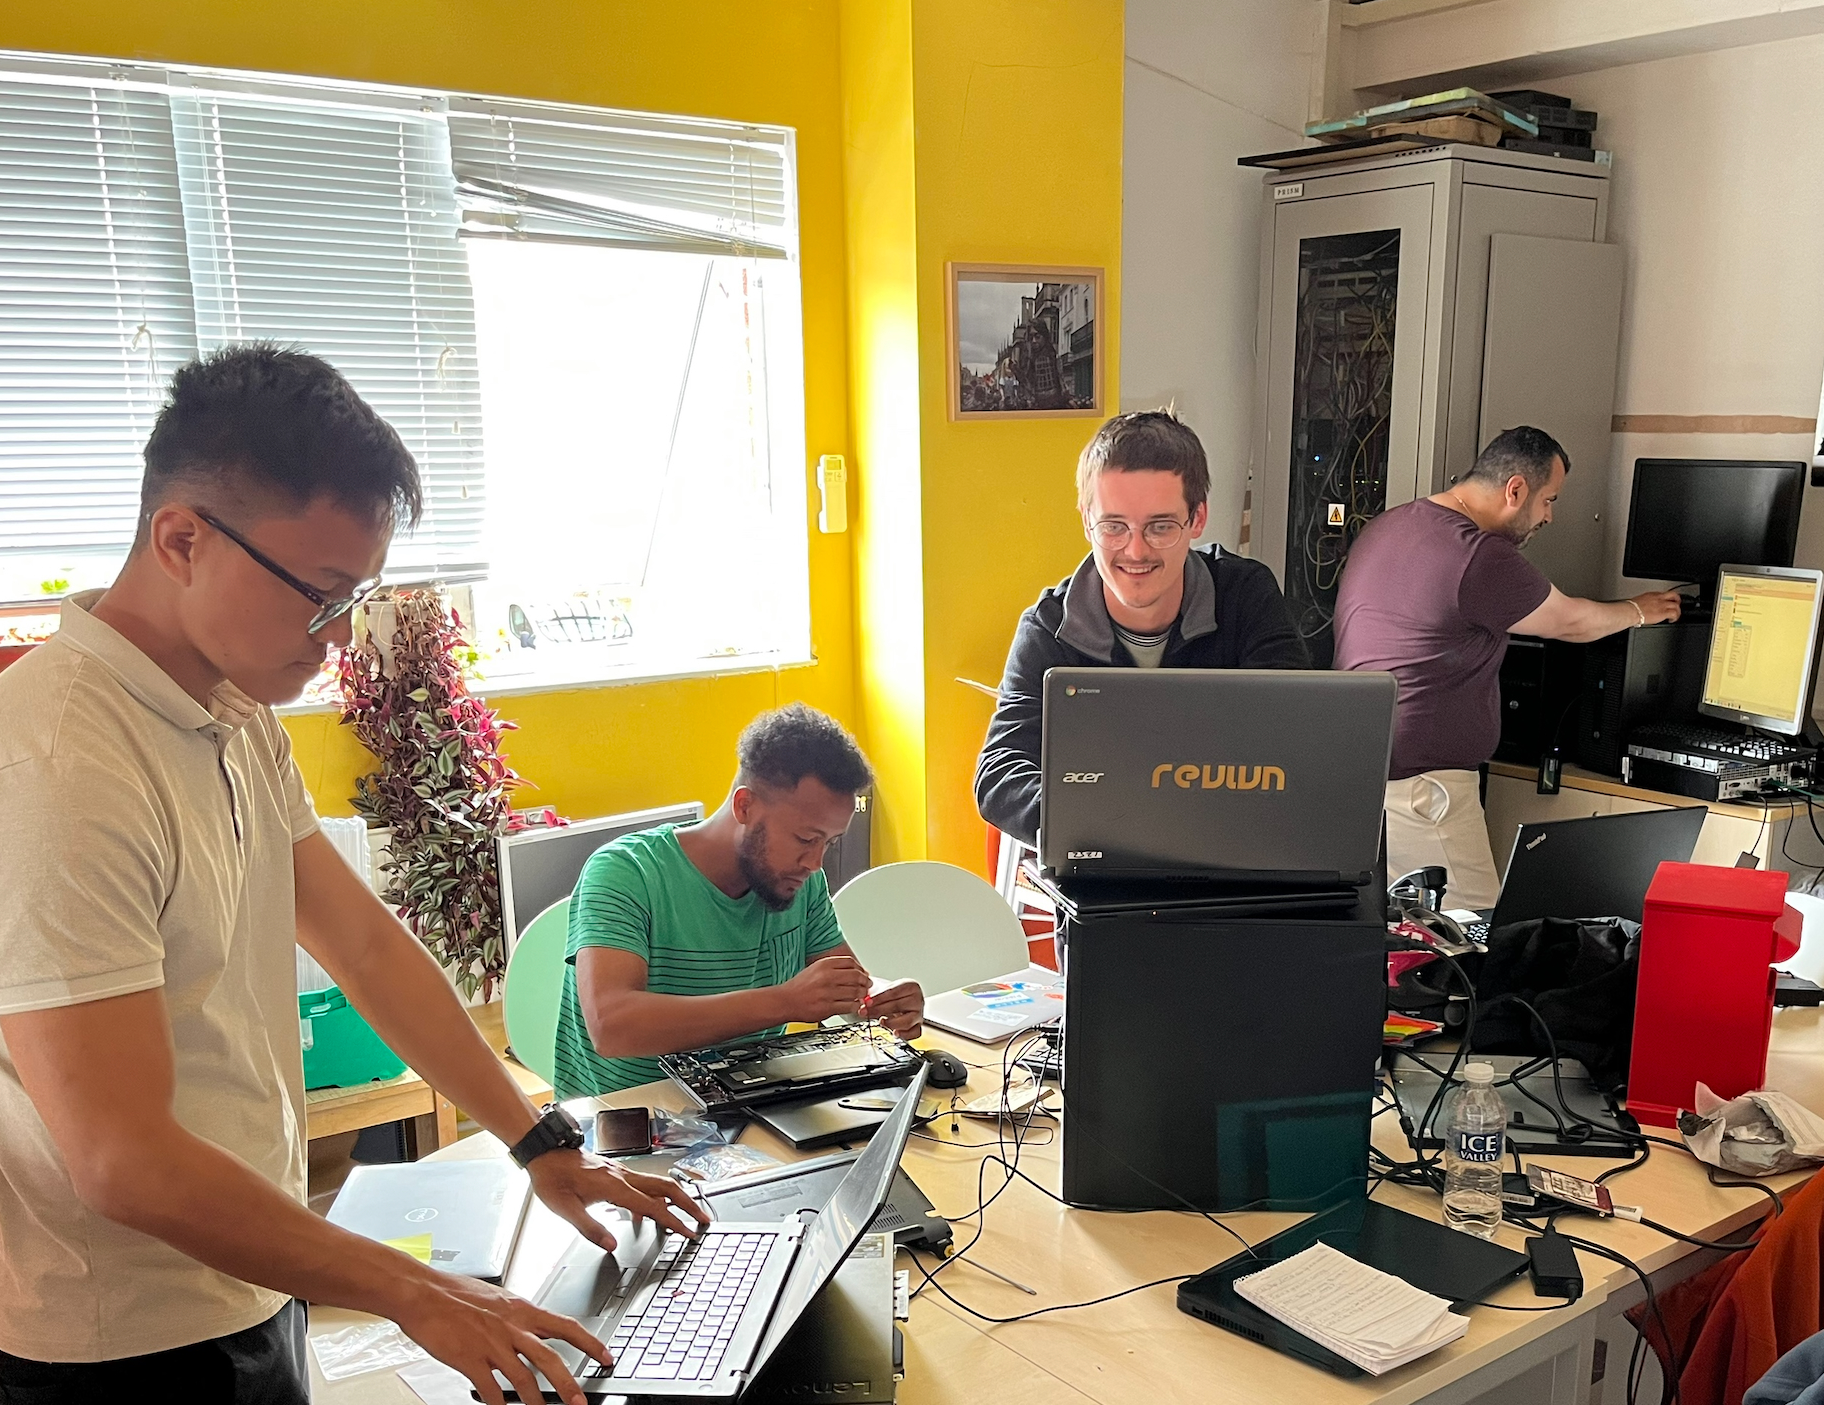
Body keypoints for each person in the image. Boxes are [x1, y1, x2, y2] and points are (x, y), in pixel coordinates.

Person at [0, 344, 706, 1405]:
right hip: (129, 1337)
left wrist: (538, 1140)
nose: (338, 640)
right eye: (319, 593)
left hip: (235, 1275)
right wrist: (416, 1293)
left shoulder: (225, 712)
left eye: (359, 598)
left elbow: (370, 945)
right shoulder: (52, 774)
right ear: (181, 536)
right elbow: (120, 1158)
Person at [1331, 425, 1683, 906]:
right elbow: (1572, 621)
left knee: (1397, 951)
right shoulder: (1477, 553)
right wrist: (1640, 610)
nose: (1550, 517)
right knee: (1472, 947)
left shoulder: (1392, 524)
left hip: (1357, 781)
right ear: (1515, 489)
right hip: (1426, 794)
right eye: (1549, 500)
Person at [974, 409, 1306, 848]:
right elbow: (999, 772)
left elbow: (1297, 737)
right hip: (1100, 853)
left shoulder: (1247, 596)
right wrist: (1100, 825)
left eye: (1160, 527)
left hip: (1225, 847)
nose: (1135, 550)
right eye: (1114, 527)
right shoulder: (1048, 627)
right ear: (1086, 520)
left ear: (1198, 518)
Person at [556, 703, 922, 1097]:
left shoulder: (800, 881)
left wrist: (885, 1001)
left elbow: (844, 991)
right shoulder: (627, 872)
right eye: (805, 839)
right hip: (626, 1127)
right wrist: (784, 1002)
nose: (816, 863)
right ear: (744, 806)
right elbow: (612, 1027)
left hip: (749, 1110)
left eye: (829, 844)